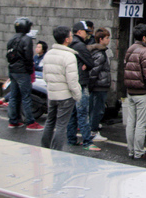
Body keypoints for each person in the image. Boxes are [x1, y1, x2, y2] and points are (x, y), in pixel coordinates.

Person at [40, 26, 82, 150]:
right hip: (65, 96)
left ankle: (44, 147)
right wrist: (77, 95)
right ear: (66, 39)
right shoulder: (69, 56)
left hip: (52, 94)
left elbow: (45, 76)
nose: (71, 37)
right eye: (70, 35)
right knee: (61, 125)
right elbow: (72, 80)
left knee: (50, 121)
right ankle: (56, 151)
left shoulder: (48, 54)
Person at [124, 23, 146, 160]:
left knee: (131, 122)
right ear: (144, 37)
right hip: (143, 93)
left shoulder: (130, 49)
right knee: (141, 124)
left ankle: (131, 151)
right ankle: (139, 152)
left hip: (130, 91)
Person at [7, 17, 43, 130]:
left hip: (13, 70)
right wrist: (29, 70)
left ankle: (13, 120)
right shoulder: (26, 39)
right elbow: (28, 57)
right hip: (23, 72)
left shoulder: (11, 39)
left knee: (13, 96)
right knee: (26, 97)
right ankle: (30, 122)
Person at [66, 21, 98, 151]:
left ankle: (71, 139)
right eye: (86, 32)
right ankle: (87, 142)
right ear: (79, 32)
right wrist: (86, 65)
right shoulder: (80, 45)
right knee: (83, 113)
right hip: (81, 82)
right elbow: (90, 62)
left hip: (71, 82)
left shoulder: (69, 45)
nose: (87, 35)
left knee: (72, 113)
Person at [88, 28, 112, 142]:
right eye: (107, 38)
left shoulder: (98, 52)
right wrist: (91, 86)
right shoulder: (100, 54)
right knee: (97, 109)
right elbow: (94, 72)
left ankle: (93, 129)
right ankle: (93, 131)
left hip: (99, 85)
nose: (109, 40)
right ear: (101, 39)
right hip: (99, 85)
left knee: (95, 108)